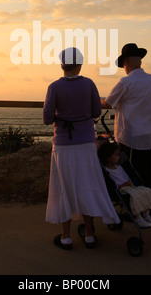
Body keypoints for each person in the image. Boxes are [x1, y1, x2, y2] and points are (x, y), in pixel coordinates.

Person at [43, 47, 120, 250]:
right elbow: (96, 111)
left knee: (64, 187)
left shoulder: (54, 87)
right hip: (86, 143)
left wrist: (62, 116)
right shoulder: (89, 84)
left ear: (62, 65)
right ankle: (89, 234)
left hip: (63, 145)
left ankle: (66, 236)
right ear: (80, 65)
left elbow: (46, 118)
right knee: (86, 186)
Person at [101, 43, 151, 190]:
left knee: (130, 176)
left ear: (126, 62)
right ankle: (150, 206)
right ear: (140, 60)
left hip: (129, 138)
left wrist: (95, 100)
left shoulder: (126, 82)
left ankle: (135, 207)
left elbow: (108, 103)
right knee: (147, 175)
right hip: (148, 137)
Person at [98, 141, 151, 228]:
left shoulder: (119, 167)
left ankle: (147, 215)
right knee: (135, 196)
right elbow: (111, 184)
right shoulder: (107, 171)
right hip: (121, 190)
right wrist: (121, 185)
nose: (119, 157)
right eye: (116, 155)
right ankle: (138, 217)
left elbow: (126, 177)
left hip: (129, 186)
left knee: (146, 191)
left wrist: (128, 182)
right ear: (108, 158)